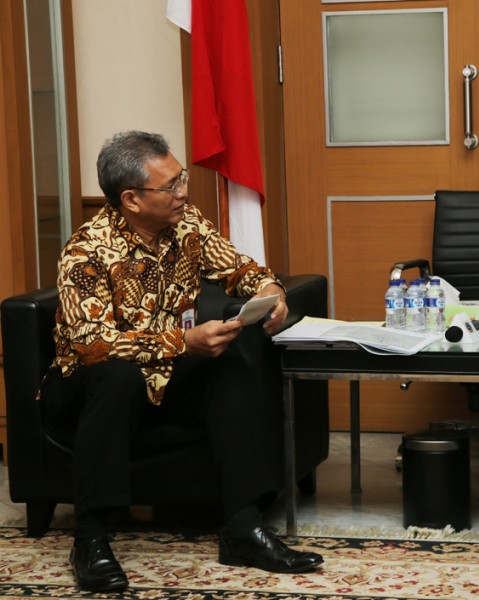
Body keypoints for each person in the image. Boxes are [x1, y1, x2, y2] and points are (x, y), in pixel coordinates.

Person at [40, 131, 324, 592]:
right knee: (117, 377)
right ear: (131, 199)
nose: (183, 192)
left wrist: (270, 290)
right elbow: (92, 343)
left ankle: (242, 528)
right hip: (85, 386)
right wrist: (183, 342)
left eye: (182, 178)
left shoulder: (186, 224)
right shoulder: (85, 250)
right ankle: (90, 539)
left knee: (230, 365)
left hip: (161, 376)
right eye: (170, 185)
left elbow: (239, 268)